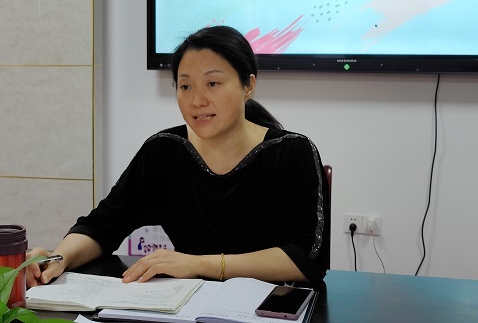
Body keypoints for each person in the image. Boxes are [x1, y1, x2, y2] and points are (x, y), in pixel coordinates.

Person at [27, 25, 330, 288]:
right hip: (185, 304)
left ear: (248, 85)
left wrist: (198, 264)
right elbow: (102, 226)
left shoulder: (292, 152)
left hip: (271, 307)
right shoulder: (165, 151)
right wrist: (59, 257)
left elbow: (305, 259)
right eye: (185, 86)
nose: (197, 100)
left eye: (213, 83)